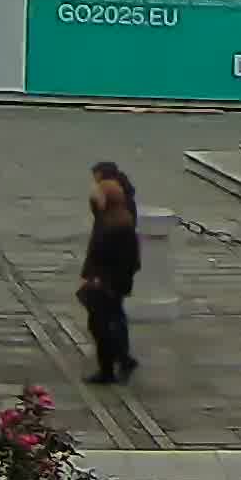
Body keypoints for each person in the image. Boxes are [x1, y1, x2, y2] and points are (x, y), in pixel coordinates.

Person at [78, 162, 141, 384]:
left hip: (108, 283)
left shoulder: (115, 226)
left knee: (103, 324)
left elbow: (117, 258)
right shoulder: (113, 220)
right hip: (109, 281)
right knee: (110, 321)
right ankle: (120, 360)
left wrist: (99, 279)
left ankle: (112, 365)